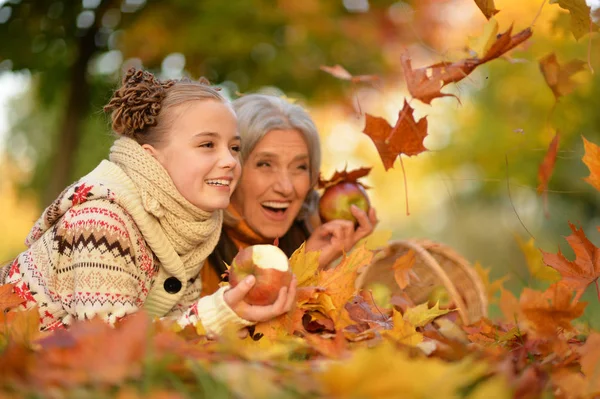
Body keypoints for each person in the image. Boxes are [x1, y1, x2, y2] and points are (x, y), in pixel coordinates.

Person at [0, 69, 296, 333]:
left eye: (234, 147)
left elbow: (173, 325)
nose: (230, 161)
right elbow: (107, 341)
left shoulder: (190, 225)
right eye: (207, 144)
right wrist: (215, 316)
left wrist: (229, 323)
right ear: (151, 157)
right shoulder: (102, 221)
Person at [202, 94, 377, 295]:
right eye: (265, 164)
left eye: (300, 167)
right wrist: (300, 272)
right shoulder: (193, 247)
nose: (286, 187)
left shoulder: (313, 236)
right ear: (230, 168)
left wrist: (313, 263)